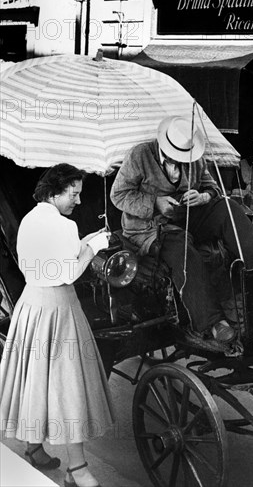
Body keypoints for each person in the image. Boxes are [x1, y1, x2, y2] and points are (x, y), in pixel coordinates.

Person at [0, 163, 114, 487]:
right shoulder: (64, 226)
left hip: (31, 306)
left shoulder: (29, 220)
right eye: (73, 194)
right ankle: (77, 470)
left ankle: (33, 446)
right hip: (59, 309)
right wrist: (93, 248)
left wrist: (87, 240)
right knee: (66, 386)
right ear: (55, 191)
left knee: (37, 380)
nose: (78, 201)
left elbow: (51, 260)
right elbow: (67, 273)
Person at [110, 116, 253, 343]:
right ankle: (212, 322)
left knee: (227, 207)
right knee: (182, 247)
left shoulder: (194, 157)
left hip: (187, 216)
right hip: (151, 227)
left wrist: (203, 196)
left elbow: (211, 186)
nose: (182, 161)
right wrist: (155, 202)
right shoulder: (140, 156)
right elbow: (118, 195)